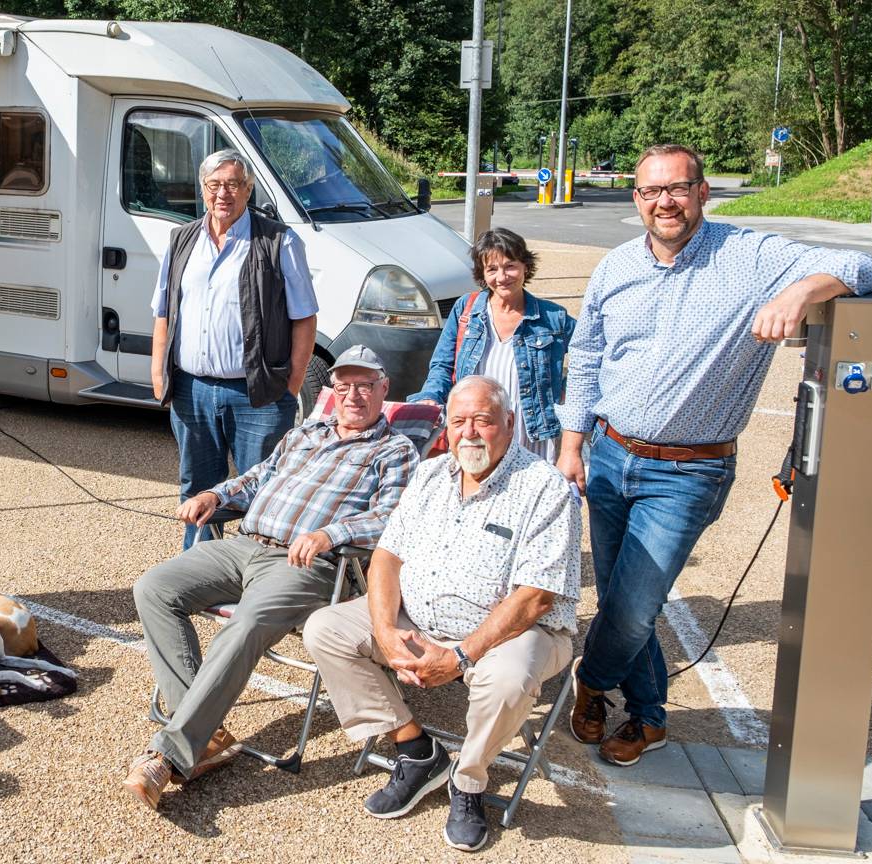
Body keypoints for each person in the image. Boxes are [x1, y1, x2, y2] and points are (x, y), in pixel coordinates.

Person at [556, 143, 872, 765]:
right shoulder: (616, 267)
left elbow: (863, 264)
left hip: (689, 469)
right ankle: (649, 717)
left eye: (677, 188)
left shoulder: (751, 257)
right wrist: (573, 443)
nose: (665, 202)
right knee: (629, 598)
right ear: (636, 199)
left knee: (630, 607)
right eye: (652, 191)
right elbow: (589, 357)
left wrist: (801, 292)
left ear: (703, 192)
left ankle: (592, 680)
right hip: (609, 455)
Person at [122, 345, 416, 809]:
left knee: (247, 624)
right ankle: (205, 731)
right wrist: (214, 496)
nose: (354, 396)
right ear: (332, 391)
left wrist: (329, 534)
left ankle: (170, 753)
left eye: (365, 386)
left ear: (384, 390)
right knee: (154, 588)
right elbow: (256, 478)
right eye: (344, 387)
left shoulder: (395, 450)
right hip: (244, 544)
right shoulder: (305, 433)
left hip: (306, 565)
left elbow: (394, 518)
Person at [304, 375, 579, 852]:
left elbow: (535, 598)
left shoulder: (543, 486)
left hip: (513, 632)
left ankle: (468, 782)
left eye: (483, 421)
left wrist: (460, 658)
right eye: (458, 422)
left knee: (509, 680)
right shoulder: (431, 475)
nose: (469, 433)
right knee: (326, 629)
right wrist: (387, 632)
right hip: (419, 621)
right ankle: (415, 750)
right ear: (446, 428)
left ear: (509, 424)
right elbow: (387, 558)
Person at [150, 149, 319, 549]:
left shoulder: (279, 241)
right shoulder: (181, 239)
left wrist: (291, 385)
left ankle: (256, 573)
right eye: (214, 185)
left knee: (260, 490)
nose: (223, 193)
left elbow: (305, 318)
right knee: (197, 489)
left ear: (248, 189)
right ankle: (197, 572)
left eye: (233, 184)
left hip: (255, 395)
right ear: (203, 189)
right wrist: (159, 374)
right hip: (191, 390)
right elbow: (162, 312)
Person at [409, 228, 574, 462]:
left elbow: (591, 354)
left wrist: (568, 389)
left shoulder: (552, 316)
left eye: (510, 266)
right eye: (492, 269)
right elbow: (443, 366)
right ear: (482, 274)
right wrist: (430, 397)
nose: (502, 277)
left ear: (525, 266)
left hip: (529, 433)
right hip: (474, 427)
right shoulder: (467, 310)